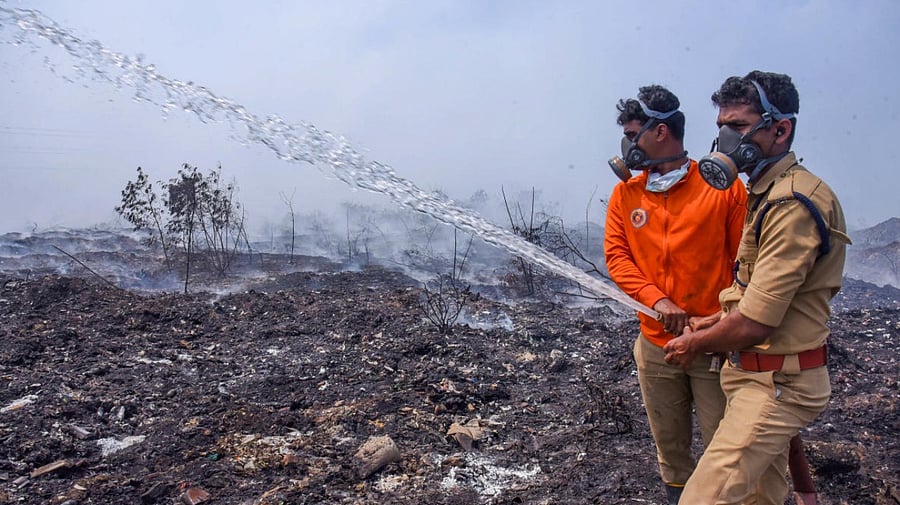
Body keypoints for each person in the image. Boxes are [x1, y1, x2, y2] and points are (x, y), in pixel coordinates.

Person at [663, 70, 850, 504]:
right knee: (759, 497)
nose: (726, 140)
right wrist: (716, 318)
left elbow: (757, 322)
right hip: (757, 377)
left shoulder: (791, 203)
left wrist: (698, 343)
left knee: (703, 498)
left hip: (777, 385)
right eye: (721, 128)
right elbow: (759, 293)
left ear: (780, 129)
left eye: (740, 127)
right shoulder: (765, 192)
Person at [603, 84, 747, 505]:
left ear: (661, 132)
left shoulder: (722, 189)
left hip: (713, 346)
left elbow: (745, 264)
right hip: (655, 345)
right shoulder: (626, 194)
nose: (627, 145)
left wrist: (716, 323)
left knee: (727, 447)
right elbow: (618, 256)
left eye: (633, 135)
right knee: (671, 450)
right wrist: (657, 300)